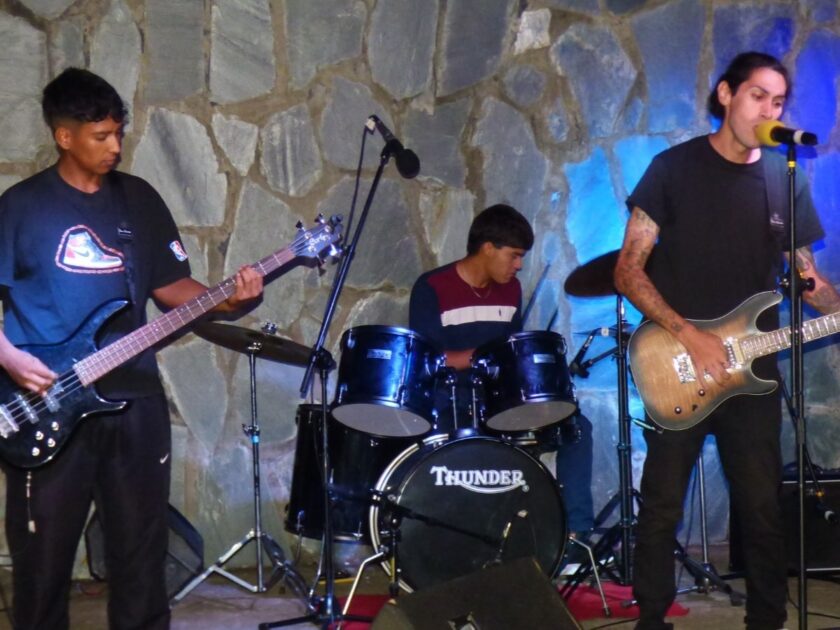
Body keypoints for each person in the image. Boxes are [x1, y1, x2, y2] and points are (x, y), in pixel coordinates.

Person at [0, 68, 263, 629]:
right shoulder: (19, 206)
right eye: (101, 136)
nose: (115, 146)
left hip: (135, 400)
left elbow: (173, 290)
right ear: (64, 136)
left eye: (119, 132)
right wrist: (10, 358)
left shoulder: (138, 200)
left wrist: (230, 299)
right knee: (42, 564)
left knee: (142, 556)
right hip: (46, 401)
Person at [614, 51, 840, 630]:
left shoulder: (784, 179)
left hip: (752, 373)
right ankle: (652, 619)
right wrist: (690, 335)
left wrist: (829, 301)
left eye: (778, 101)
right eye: (758, 96)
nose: (769, 110)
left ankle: (767, 620)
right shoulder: (673, 169)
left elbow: (807, 279)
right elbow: (628, 271)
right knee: (661, 506)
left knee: (762, 507)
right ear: (725, 95)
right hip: (678, 363)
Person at [409, 203, 594, 539]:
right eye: (514, 255)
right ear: (488, 248)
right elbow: (427, 359)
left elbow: (511, 350)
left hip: (502, 397)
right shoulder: (433, 286)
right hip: (453, 399)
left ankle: (575, 536)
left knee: (577, 428)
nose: (519, 265)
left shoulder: (511, 289)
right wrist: (480, 357)